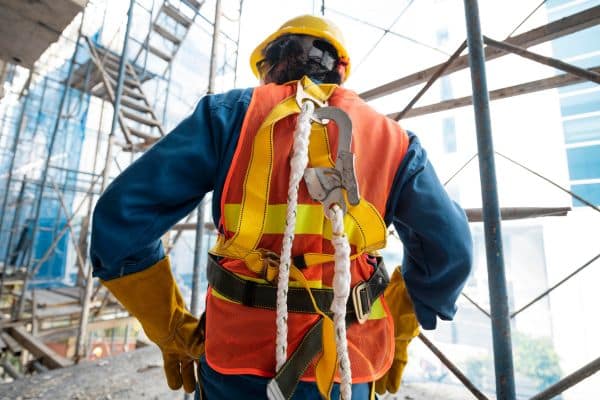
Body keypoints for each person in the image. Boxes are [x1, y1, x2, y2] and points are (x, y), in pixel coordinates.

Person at [90, 14, 472, 400]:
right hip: (348, 363)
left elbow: (120, 220)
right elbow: (451, 247)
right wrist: (403, 322)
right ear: (339, 69)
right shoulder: (392, 139)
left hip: (236, 361)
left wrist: (169, 326)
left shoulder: (229, 116)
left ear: (269, 68)